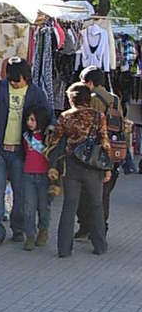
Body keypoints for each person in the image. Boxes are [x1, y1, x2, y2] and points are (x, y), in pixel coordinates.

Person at [0, 56, 53, 247]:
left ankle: (18, 228)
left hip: (22, 152)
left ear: (26, 77)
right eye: (11, 80)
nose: (14, 83)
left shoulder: (36, 93)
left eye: (17, 80)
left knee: (21, 192)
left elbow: (48, 117)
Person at [49, 82, 111, 258]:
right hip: (93, 166)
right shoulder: (98, 116)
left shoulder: (65, 116)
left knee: (69, 205)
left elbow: (55, 141)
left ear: (72, 99)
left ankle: (64, 249)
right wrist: (108, 167)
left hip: (72, 166)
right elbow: (104, 141)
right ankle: (100, 245)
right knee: (96, 205)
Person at [76, 66, 123, 239]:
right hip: (113, 151)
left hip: (94, 152)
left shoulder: (92, 99)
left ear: (89, 83)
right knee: (104, 193)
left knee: (85, 191)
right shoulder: (115, 99)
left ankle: (87, 227)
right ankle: (101, 227)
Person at [22, 106, 51, 251]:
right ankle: (30, 235)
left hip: (44, 175)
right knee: (29, 207)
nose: (29, 122)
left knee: (44, 206)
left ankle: (43, 230)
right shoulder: (26, 136)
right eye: (28, 119)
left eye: (33, 120)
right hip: (28, 174)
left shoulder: (48, 137)